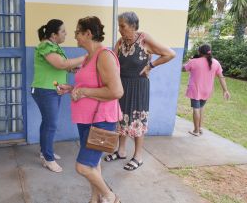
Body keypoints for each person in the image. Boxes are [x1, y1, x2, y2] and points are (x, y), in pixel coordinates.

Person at [58, 16, 123, 203]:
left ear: (88, 33)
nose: (75, 36)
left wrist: (84, 91)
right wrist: (71, 89)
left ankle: (110, 196)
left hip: (102, 119)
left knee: (83, 167)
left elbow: (116, 91)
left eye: (78, 32)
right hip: (87, 120)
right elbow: (91, 86)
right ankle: (94, 199)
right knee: (94, 164)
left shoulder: (104, 56)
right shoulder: (88, 58)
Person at [104, 11, 176, 171]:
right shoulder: (120, 42)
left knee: (137, 120)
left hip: (138, 86)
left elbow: (170, 54)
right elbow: (112, 61)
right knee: (121, 118)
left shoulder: (144, 39)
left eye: (122, 26)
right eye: (119, 26)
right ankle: (121, 151)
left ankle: (138, 156)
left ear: (133, 25)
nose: (120, 29)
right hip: (122, 85)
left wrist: (151, 66)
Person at [31, 19, 86, 173]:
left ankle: (44, 151)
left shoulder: (54, 47)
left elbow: (62, 66)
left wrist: (71, 69)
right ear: (54, 35)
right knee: (51, 124)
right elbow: (61, 64)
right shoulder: (45, 45)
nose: (66, 34)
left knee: (47, 123)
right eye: (63, 31)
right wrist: (84, 58)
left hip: (53, 90)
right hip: (44, 90)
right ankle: (48, 159)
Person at [183, 44, 230, 136]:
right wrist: (225, 90)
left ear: (199, 52)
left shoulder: (194, 61)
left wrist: (187, 61)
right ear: (209, 52)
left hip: (195, 90)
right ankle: (199, 128)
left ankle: (196, 131)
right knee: (201, 108)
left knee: (196, 109)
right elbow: (221, 77)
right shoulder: (216, 63)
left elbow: (183, 68)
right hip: (207, 90)